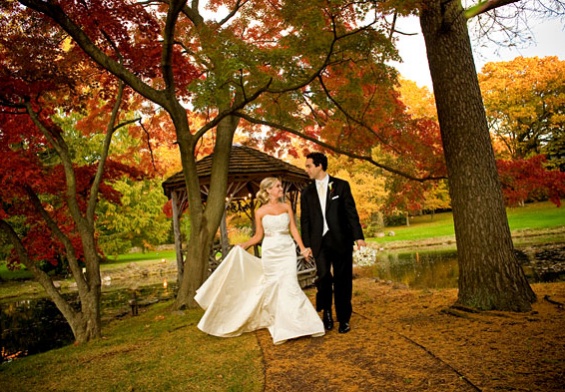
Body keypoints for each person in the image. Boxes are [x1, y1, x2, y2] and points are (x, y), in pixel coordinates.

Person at [194, 177, 325, 345]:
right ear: (268, 190)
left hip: (287, 250)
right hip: (270, 252)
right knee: (275, 289)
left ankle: (306, 325)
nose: (281, 188)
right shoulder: (260, 212)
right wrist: (245, 245)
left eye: (280, 185)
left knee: (291, 285)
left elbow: (293, 228)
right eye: (277, 186)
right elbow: (258, 236)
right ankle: (282, 328)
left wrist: (302, 248)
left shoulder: (286, 207)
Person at [300, 152, 366, 334]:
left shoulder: (341, 186)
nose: (307, 170)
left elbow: (351, 213)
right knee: (323, 279)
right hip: (318, 243)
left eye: (309, 166)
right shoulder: (306, 192)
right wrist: (306, 246)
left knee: (343, 280)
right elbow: (304, 221)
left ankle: (344, 319)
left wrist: (358, 237)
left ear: (319, 165)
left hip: (341, 240)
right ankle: (326, 312)